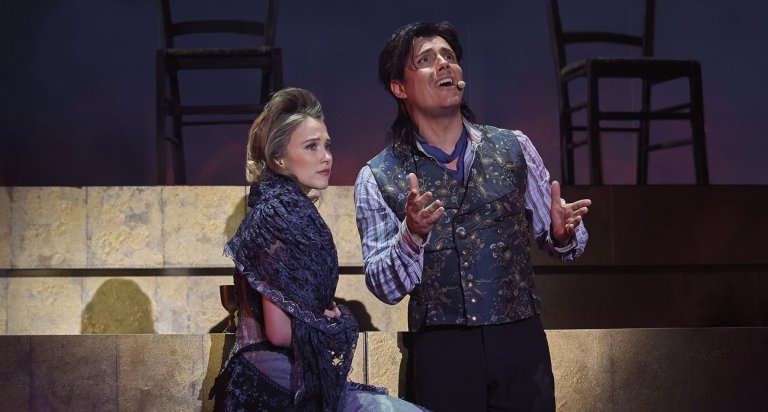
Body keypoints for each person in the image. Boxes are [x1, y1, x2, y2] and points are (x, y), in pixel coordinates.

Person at [354, 22, 592, 412]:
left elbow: (561, 240)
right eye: (426, 60)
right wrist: (411, 236)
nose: (444, 64)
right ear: (399, 87)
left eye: (449, 56)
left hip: (520, 341)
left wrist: (563, 235)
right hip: (443, 349)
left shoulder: (514, 146)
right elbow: (383, 285)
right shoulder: (377, 175)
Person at [221, 87, 428, 411]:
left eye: (327, 145)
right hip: (276, 384)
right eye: (311, 146)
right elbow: (278, 332)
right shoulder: (279, 215)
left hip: (275, 375)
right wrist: (332, 323)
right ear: (279, 158)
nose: (326, 156)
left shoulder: (278, 208)